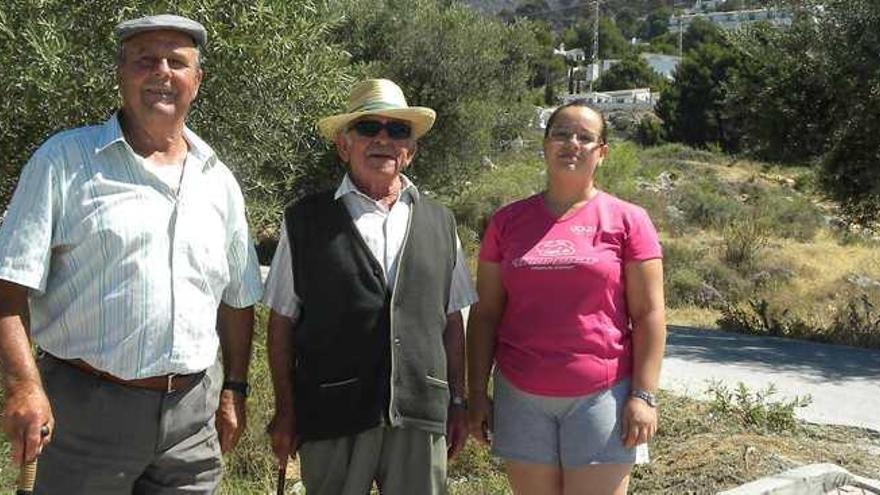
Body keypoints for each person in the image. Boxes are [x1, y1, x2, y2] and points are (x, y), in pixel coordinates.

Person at [0, 14, 263, 493]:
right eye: (146, 60)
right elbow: (8, 287)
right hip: (85, 414)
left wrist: (235, 389)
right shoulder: (63, 161)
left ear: (196, 80)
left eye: (177, 62)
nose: (162, 72)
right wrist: (23, 385)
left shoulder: (218, 181)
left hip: (192, 421)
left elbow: (238, 299)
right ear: (121, 74)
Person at [264, 78, 477, 495]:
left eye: (398, 130)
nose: (383, 139)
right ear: (344, 145)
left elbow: (453, 321)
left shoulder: (440, 221)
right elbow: (281, 323)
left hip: (420, 413)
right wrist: (287, 410)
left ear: (410, 152)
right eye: (368, 128)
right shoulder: (304, 221)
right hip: (331, 414)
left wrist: (457, 400)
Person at [467, 101, 666, 495]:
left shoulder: (629, 220)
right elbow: (486, 313)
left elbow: (649, 314)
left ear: (602, 153)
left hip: (602, 395)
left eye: (585, 137)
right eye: (561, 133)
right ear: (545, 144)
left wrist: (644, 396)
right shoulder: (507, 222)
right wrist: (476, 395)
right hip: (521, 395)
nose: (571, 143)